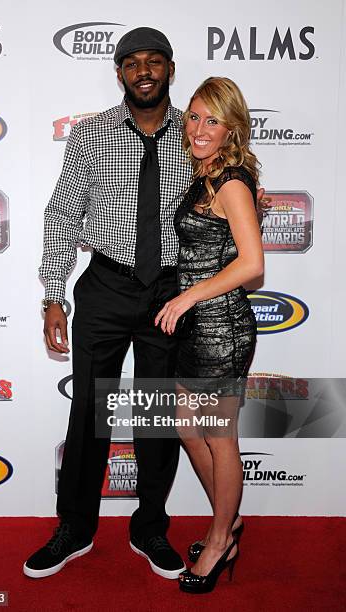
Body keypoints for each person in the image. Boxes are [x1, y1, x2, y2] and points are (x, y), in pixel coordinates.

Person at [23, 27, 193, 581]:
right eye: (132, 63)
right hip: (104, 286)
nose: (143, 71)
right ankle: (75, 527)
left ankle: (150, 528)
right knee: (88, 415)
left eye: (154, 61)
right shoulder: (92, 133)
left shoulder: (199, 131)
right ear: (119, 72)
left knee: (155, 416)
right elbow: (63, 215)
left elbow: (226, 197)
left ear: (170, 68)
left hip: (170, 291)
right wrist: (53, 295)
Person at [155, 77, 264, 594]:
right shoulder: (206, 176)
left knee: (220, 438)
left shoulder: (232, 183)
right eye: (194, 117)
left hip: (222, 328)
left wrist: (189, 295)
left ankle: (221, 539)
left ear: (232, 127)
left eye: (212, 121)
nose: (199, 129)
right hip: (198, 327)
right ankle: (230, 519)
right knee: (186, 425)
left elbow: (252, 262)